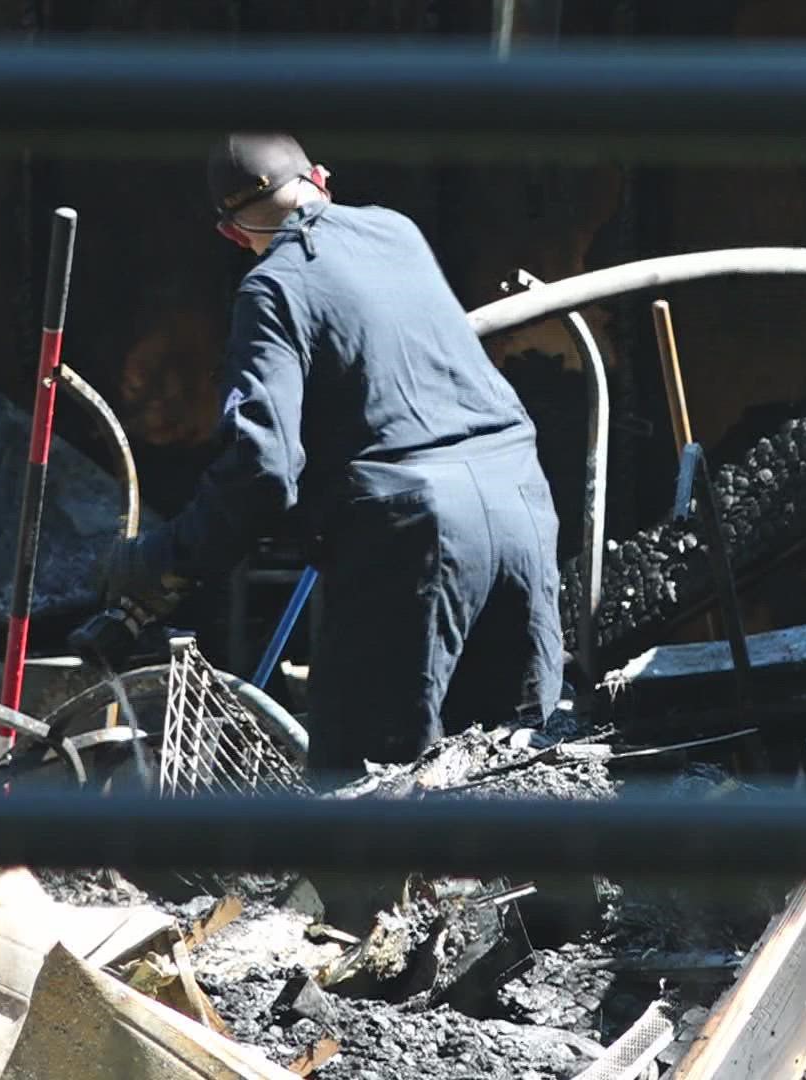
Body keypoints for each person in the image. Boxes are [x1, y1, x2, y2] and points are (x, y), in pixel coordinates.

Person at [98, 132, 564, 776]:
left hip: (416, 532)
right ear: (321, 179)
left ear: (232, 234)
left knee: (364, 798)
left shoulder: (271, 289)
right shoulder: (395, 231)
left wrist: (165, 558)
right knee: (523, 768)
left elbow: (262, 470)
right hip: (520, 500)